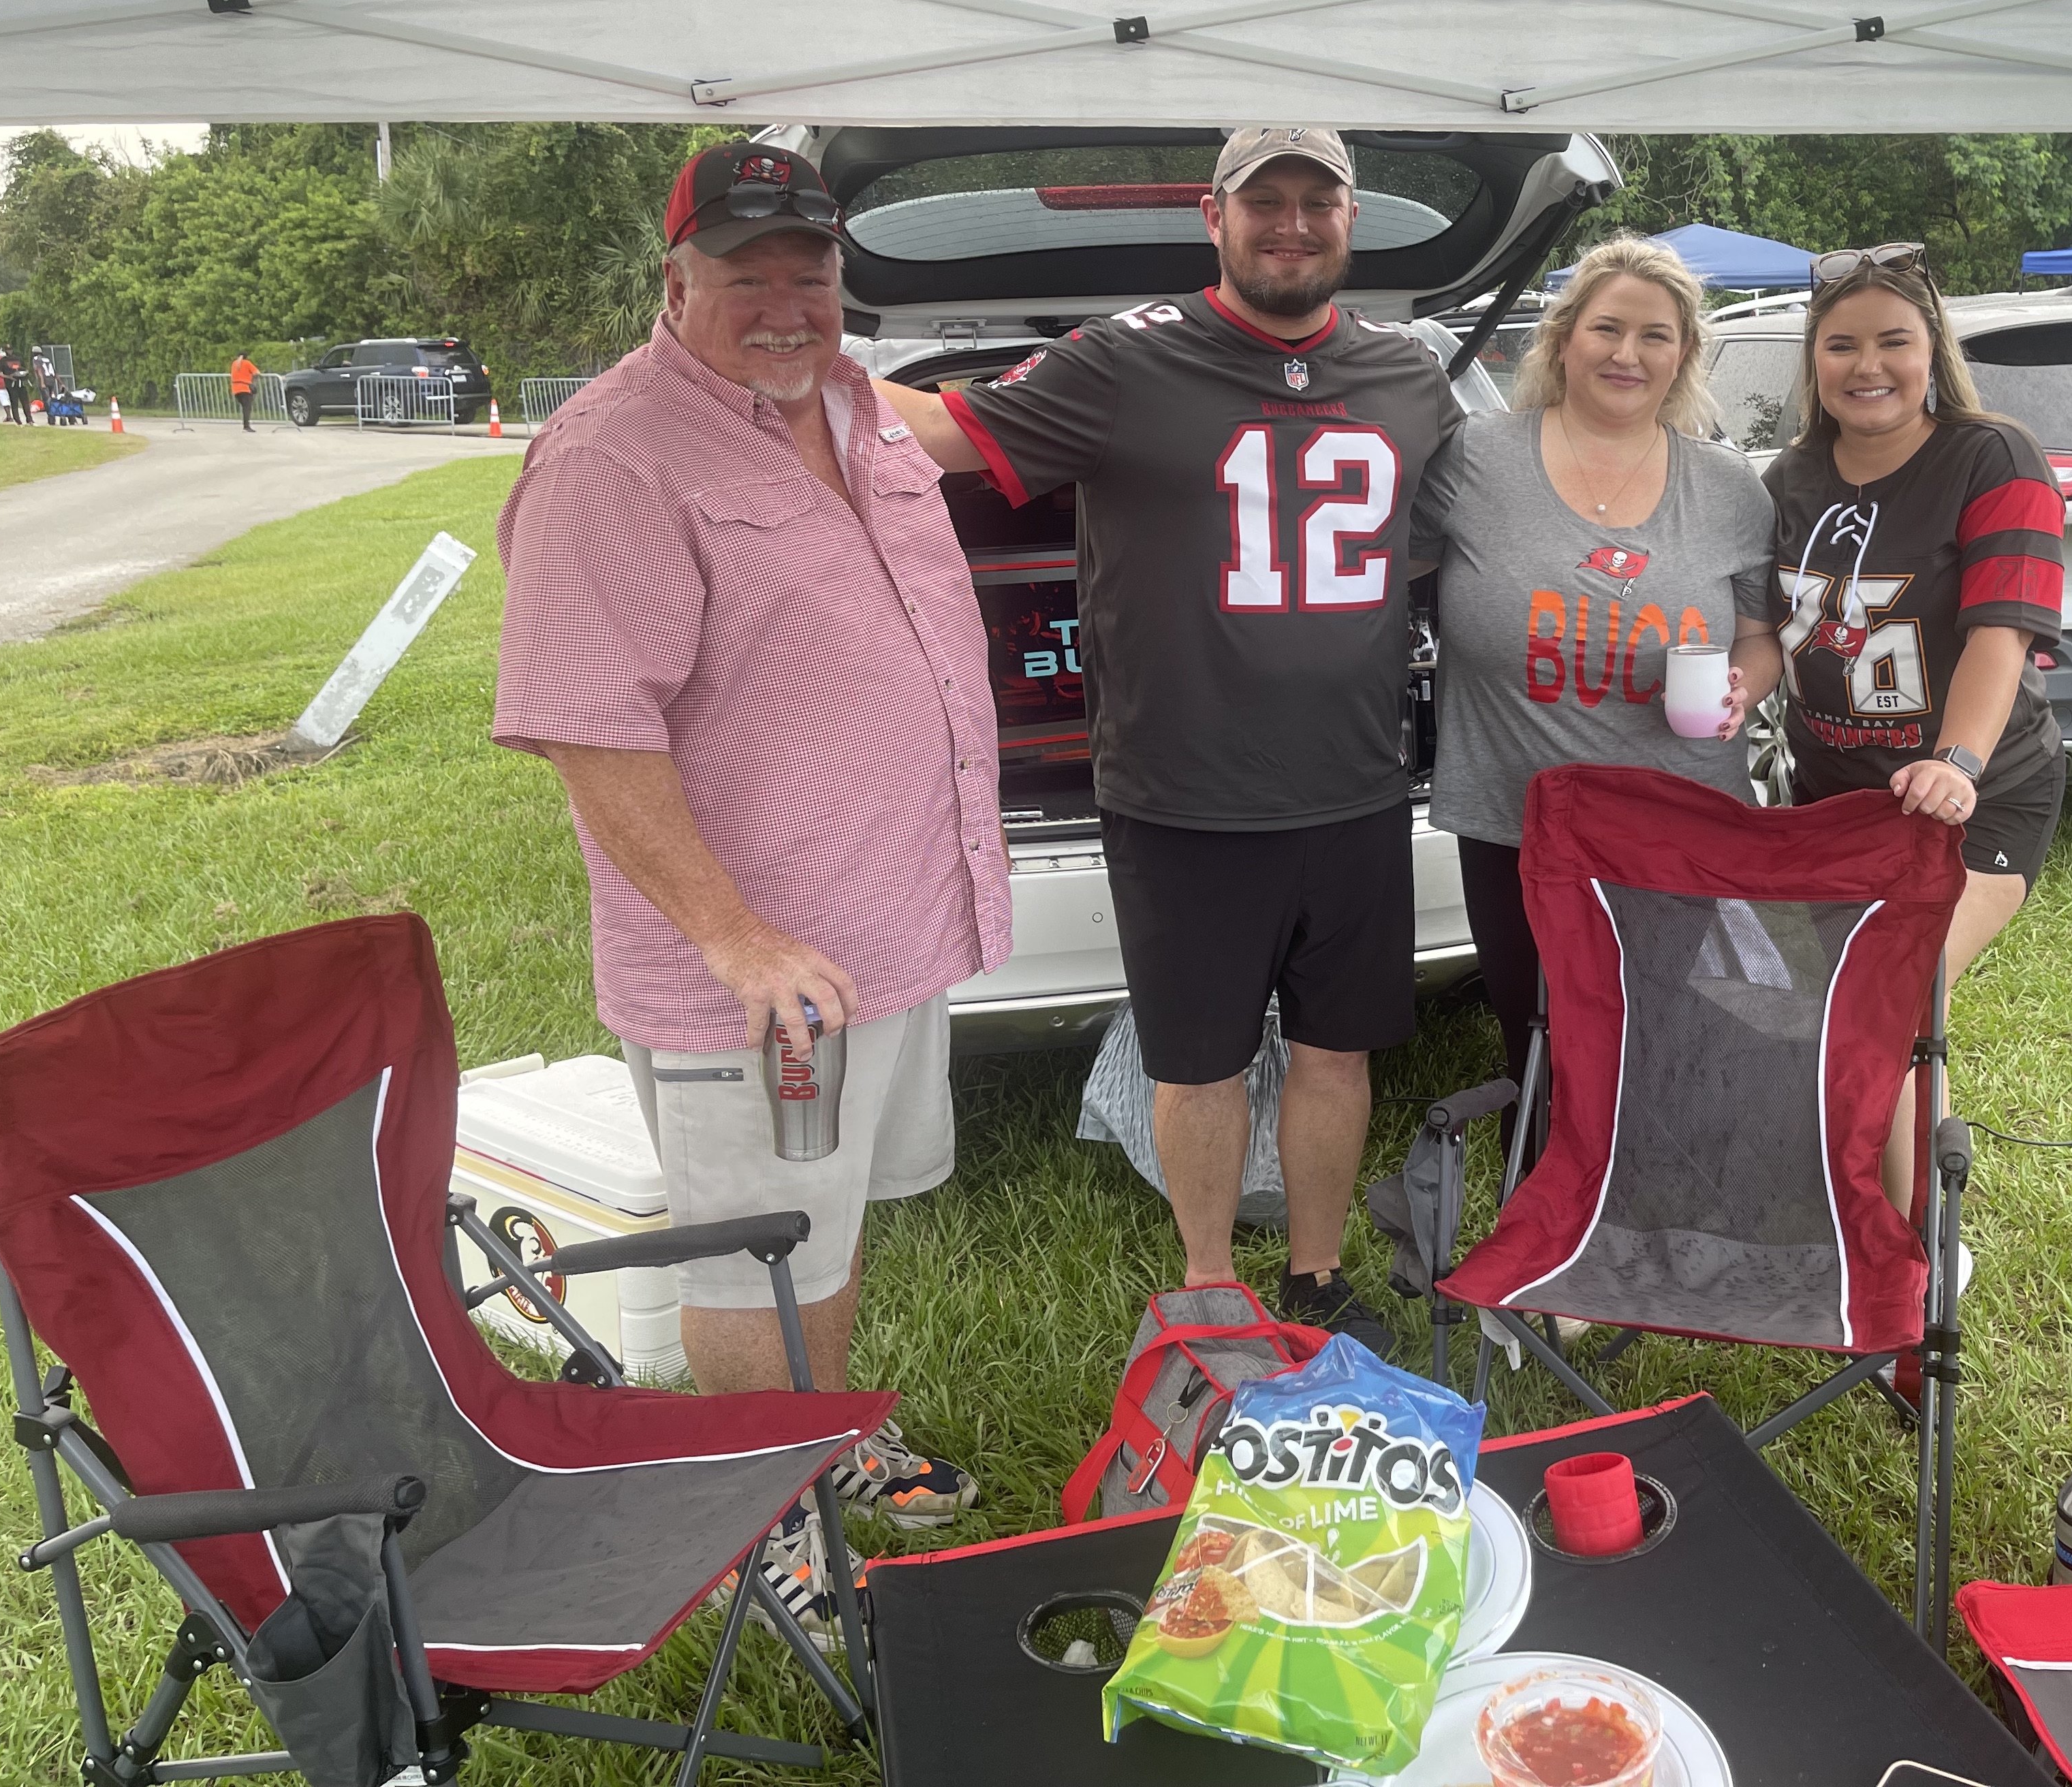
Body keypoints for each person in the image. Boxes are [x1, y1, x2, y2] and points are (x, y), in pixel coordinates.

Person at [493, 142, 996, 1607]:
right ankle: (761, 1523)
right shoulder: (614, 452)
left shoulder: (856, 405)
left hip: (892, 928)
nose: (785, 304)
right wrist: (733, 937)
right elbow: (591, 730)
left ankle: (815, 1449)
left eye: (811, 272)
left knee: (819, 1231)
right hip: (758, 969)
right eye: (745, 275)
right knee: (754, 1260)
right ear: (675, 279)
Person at [872, 126, 1458, 1354]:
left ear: (1350, 219)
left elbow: (1486, 522)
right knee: (1195, 1060)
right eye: (1264, 202)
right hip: (1185, 792)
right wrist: (786, 344)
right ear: (1215, 215)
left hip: (1355, 783)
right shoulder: (1123, 362)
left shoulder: (1410, 374)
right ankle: (1206, 1282)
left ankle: (1313, 1272)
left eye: (1316, 201)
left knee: (1336, 1052)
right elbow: (929, 435)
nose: (1290, 223)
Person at [1415, 234, 1779, 1080]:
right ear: (1564, 337)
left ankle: (1657, 1203)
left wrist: (1742, 687)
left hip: (1680, 818)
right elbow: (1379, 567)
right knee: (1535, 1035)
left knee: (1669, 1038)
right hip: (1515, 818)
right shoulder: (1474, 459)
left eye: (1656, 335)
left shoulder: (1729, 487)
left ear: (1684, 354)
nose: (1628, 353)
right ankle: (1550, 1193)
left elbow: (1762, 639)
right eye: (1608, 329)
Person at [1759, 242, 2066, 1211]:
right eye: (1841, 344)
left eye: (1894, 340)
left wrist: (1957, 761)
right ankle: (1867, 1213)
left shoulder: (1992, 457)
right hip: (1836, 804)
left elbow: (2000, 635)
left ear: (1932, 350)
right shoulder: (1788, 481)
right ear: (1814, 362)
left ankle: (1924, 1249)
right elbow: (1771, 630)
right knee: (1856, 1016)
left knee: (1890, 1000)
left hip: (1977, 795)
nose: (1868, 365)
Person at [230, 351, 258, 431]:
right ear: (246, 357)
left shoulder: (234, 363)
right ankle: (246, 426)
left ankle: (246, 425)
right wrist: (253, 381)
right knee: (247, 408)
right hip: (245, 388)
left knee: (245, 407)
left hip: (235, 389)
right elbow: (257, 373)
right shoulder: (247, 363)